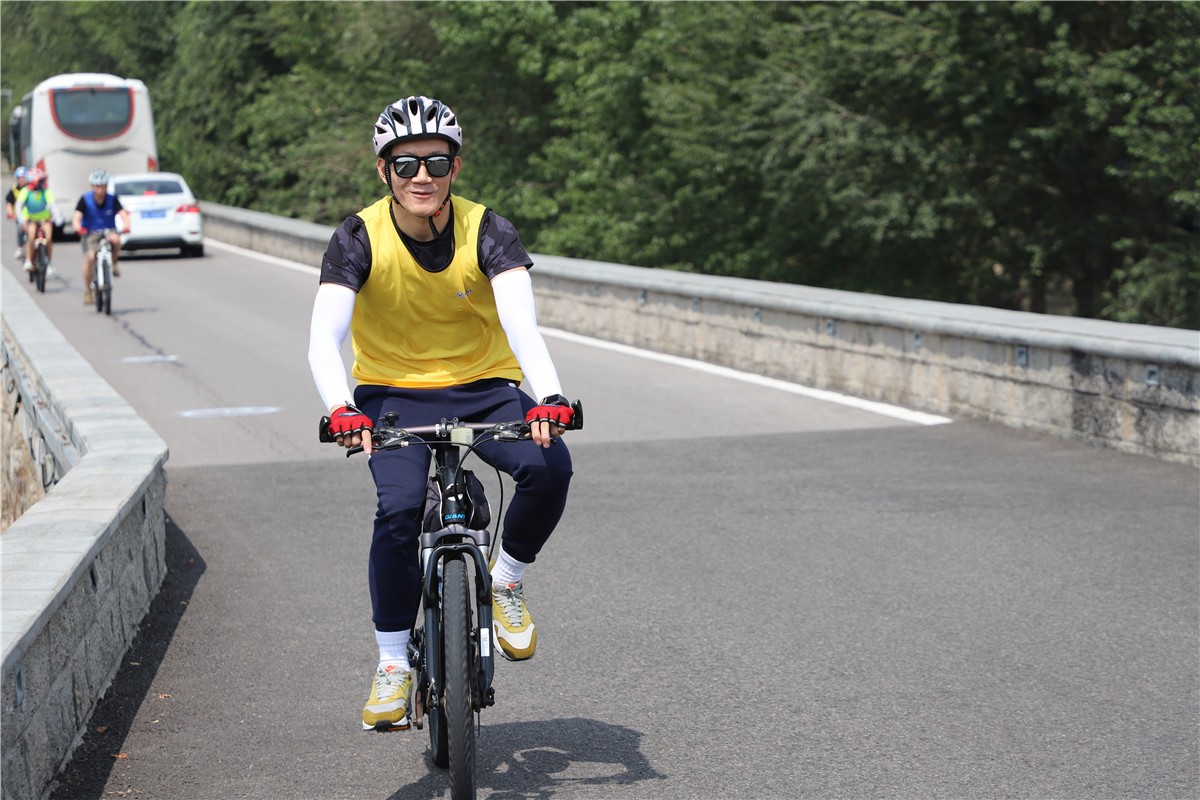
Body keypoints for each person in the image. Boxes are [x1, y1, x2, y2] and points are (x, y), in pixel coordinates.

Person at [308, 95, 577, 732]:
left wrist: (549, 398)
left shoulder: (489, 230)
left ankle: (505, 579)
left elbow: (522, 324)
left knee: (550, 469)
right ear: (384, 171)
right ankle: (392, 664)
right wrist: (341, 409)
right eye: (406, 165)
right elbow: (324, 338)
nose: (421, 176)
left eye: (436, 162)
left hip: (485, 386)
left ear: (455, 166)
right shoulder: (357, 236)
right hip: (391, 396)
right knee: (399, 510)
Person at [72, 169, 131, 306]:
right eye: (97, 186)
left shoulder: (112, 199)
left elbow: (123, 214)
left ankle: (114, 262)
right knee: (89, 258)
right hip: (90, 233)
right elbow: (77, 216)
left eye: (102, 186)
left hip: (108, 231)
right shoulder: (85, 199)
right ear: (92, 186)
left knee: (116, 240)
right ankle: (88, 291)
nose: (99, 190)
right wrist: (78, 227)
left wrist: (127, 226)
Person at [16, 169, 63, 276]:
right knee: (31, 236)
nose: (43, 182)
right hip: (31, 219)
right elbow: (19, 205)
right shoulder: (26, 191)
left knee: (49, 237)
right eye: (41, 180)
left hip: (44, 220)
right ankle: (28, 260)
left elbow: (53, 205)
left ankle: (49, 263)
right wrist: (21, 218)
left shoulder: (46, 191)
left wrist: (58, 216)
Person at [6, 166, 29, 260]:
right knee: (20, 228)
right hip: (19, 216)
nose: (21, 180)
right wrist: (11, 213)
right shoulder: (14, 189)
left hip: (31, 215)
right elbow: (9, 203)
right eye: (19, 178)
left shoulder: (31, 188)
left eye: (23, 177)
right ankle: (20, 248)